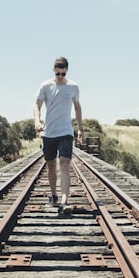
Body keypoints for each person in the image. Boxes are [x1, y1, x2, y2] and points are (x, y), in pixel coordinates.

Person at [34, 56, 84, 211]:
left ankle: (64, 202)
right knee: (50, 165)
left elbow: (77, 107)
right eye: (58, 74)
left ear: (67, 71)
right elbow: (37, 105)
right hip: (48, 132)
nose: (61, 77)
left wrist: (81, 128)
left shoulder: (73, 87)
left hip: (65, 132)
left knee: (64, 163)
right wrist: (37, 121)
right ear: (54, 71)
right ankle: (54, 195)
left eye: (63, 74)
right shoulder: (45, 86)